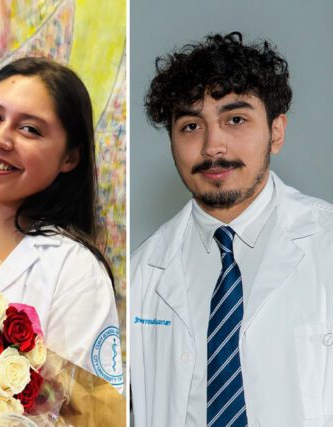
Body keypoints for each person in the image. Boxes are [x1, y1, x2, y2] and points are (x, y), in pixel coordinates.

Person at [130, 32, 333, 425]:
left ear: (276, 132)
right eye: (191, 126)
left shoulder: (326, 245)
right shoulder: (143, 274)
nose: (213, 146)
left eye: (235, 120)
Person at [0, 57, 124, 391]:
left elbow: (92, 408)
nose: (0, 139)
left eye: (30, 129)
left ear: (70, 157)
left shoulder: (76, 272)